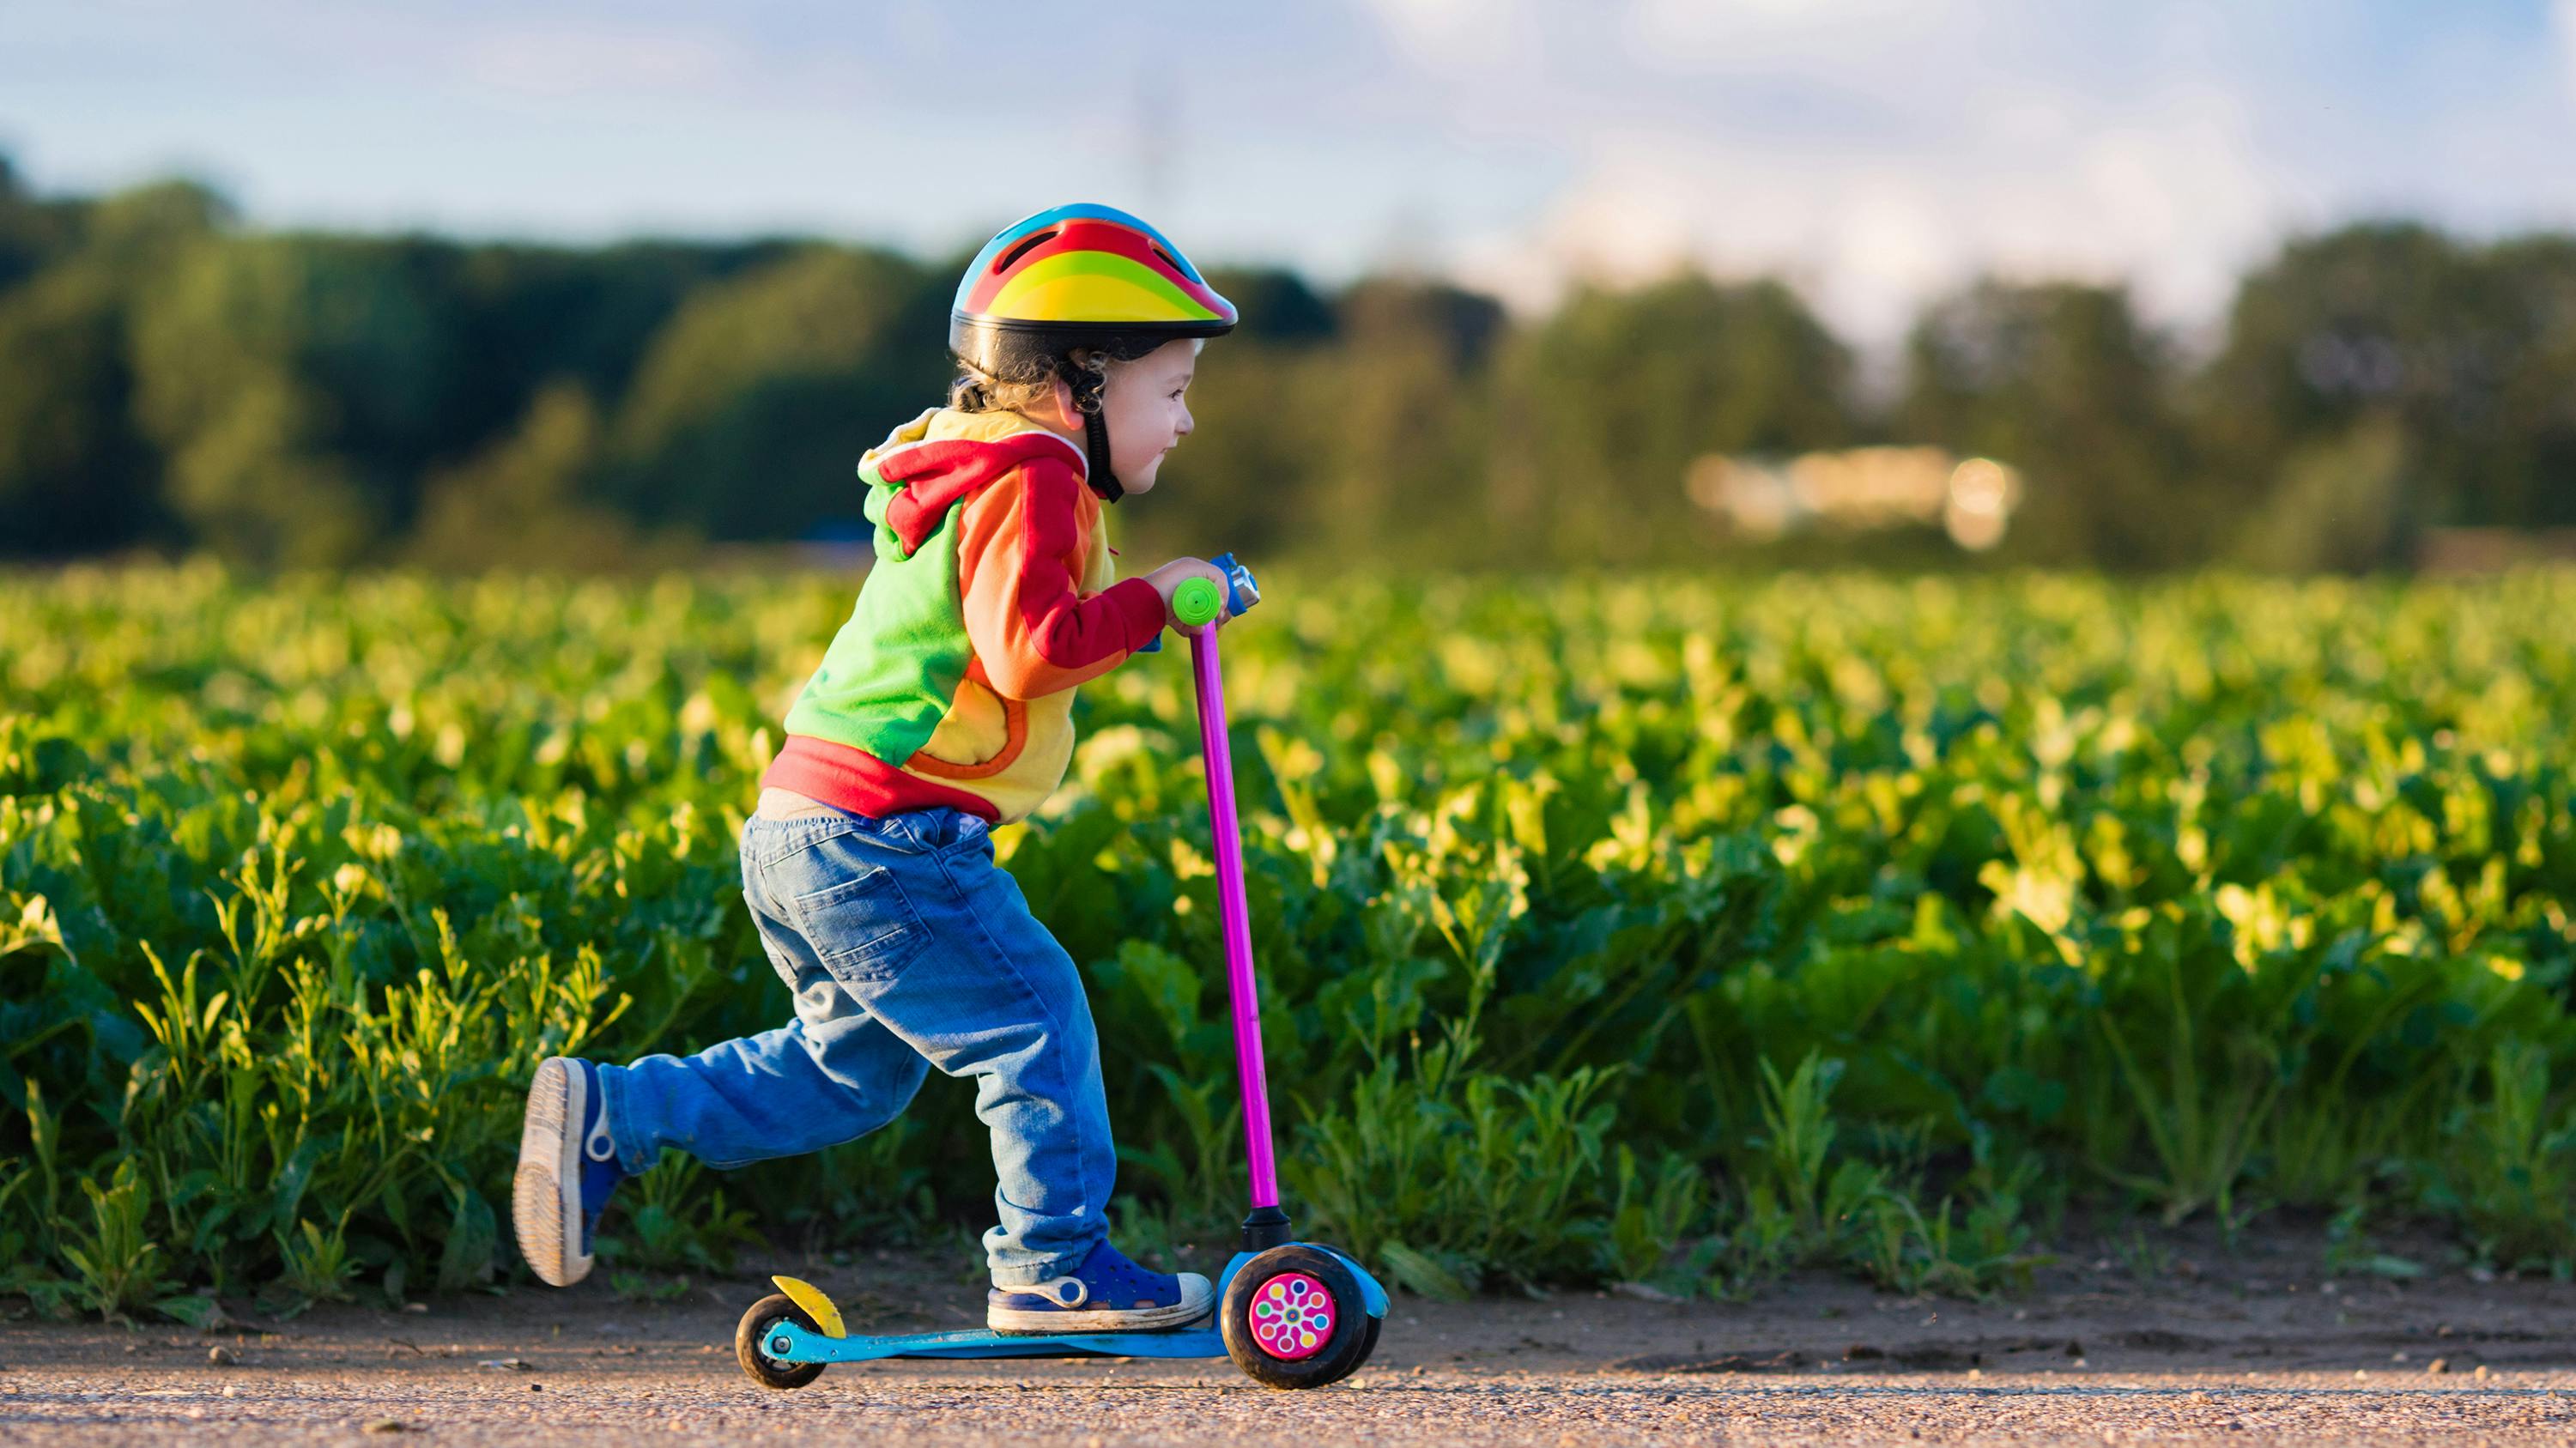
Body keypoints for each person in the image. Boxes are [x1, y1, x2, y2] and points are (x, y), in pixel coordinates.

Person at [512, 203, 1239, 1334]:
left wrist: (1140, 607)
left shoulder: (978, 465)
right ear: (1082, 377)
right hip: (887, 836)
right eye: (1174, 389)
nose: (1185, 422)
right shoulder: (1036, 471)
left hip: (808, 824)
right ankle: (1053, 1266)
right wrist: (1155, 598)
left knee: (846, 1076)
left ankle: (613, 1113)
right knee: (1035, 1022)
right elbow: (1031, 648)